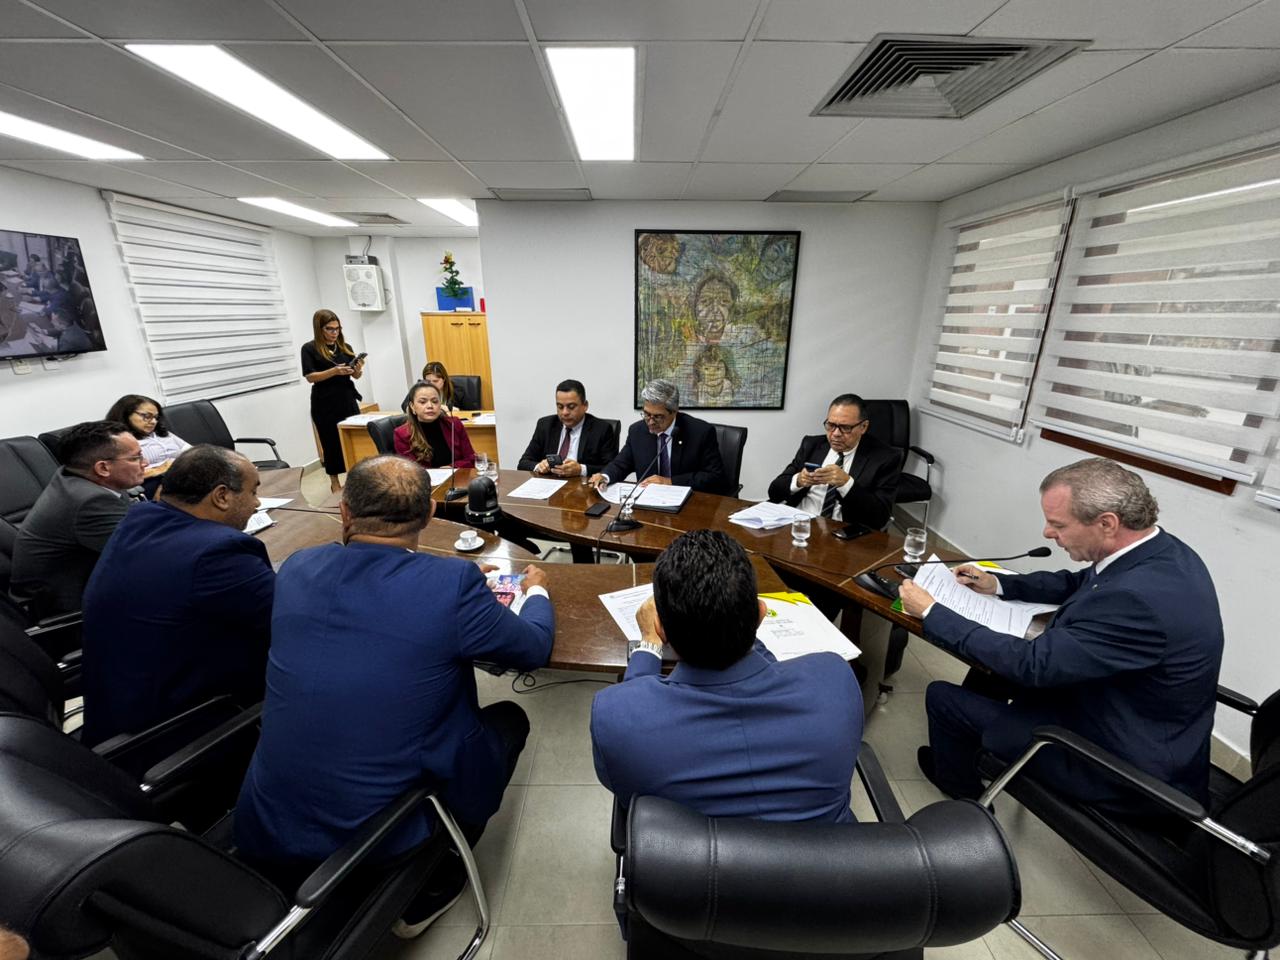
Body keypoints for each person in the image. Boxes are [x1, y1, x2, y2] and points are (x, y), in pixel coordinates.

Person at [234, 456, 553, 938]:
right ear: (429, 513)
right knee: (509, 720)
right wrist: (536, 592)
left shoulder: (298, 567)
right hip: (375, 828)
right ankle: (432, 881)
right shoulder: (452, 584)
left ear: (344, 512)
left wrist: (452, 589)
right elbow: (532, 649)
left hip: (267, 814)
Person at [899, 458, 1224, 812]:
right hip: (1129, 709)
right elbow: (1080, 582)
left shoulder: (1137, 600)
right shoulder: (1159, 551)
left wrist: (932, 612)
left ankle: (963, 795)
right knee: (988, 670)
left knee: (942, 697)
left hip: (1118, 761)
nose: (1047, 534)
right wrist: (1000, 583)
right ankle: (975, 746)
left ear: (1107, 523)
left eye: (1057, 524)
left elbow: (1032, 666)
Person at [591, 530, 862, 820]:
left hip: (694, 865)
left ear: (663, 631)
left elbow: (633, 718)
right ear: (760, 614)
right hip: (827, 862)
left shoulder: (614, 716)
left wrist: (648, 643)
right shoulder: (835, 680)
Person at [79, 446, 272, 746]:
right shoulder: (217, 553)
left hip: (117, 711)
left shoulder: (141, 518)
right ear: (221, 496)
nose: (257, 503)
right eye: (253, 492)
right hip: (180, 730)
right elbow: (290, 618)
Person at [10, 421, 144, 619]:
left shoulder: (77, 477)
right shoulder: (90, 501)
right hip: (66, 609)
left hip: (87, 580)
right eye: (136, 458)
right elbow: (146, 555)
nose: (145, 463)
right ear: (103, 468)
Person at [767, 393, 902, 530]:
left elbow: (879, 517)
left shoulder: (885, 458)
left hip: (843, 532)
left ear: (863, 427)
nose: (836, 433)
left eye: (845, 428)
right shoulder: (812, 445)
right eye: (831, 425)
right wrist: (798, 481)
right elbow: (774, 492)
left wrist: (846, 484)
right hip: (800, 523)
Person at [590, 379, 726, 493]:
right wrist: (605, 476)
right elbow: (621, 464)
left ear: (674, 412)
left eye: (658, 417)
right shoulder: (637, 431)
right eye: (647, 414)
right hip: (649, 502)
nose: (650, 422)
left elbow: (714, 476)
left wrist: (670, 482)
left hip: (688, 503)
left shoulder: (701, 432)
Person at [301, 308, 364, 493]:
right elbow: (311, 377)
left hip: (347, 398)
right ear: (320, 329)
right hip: (325, 402)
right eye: (330, 329)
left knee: (351, 439)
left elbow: (357, 376)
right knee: (331, 443)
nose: (334, 332)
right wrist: (334, 371)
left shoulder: (346, 347)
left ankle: (354, 479)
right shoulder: (309, 348)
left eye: (337, 328)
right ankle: (335, 483)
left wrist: (357, 368)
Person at [517, 379, 618, 478]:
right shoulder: (545, 425)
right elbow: (523, 463)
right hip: (550, 485)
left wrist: (581, 470)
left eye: (571, 406)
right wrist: (539, 466)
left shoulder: (602, 429)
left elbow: (612, 469)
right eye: (560, 407)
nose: (565, 412)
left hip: (582, 489)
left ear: (585, 405)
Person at [105, 393, 190, 478]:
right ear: (126, 415)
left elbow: (191, 451)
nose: (153, 422)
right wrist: (160, 469)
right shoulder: (118, 440)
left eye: (156, 417)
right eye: (147, 416)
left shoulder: (160, 432)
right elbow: (123, 476)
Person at [394, 380, 476, 469]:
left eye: (435, 401)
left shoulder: (454, 424)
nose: (430, 406)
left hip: (457, 478)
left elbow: (471, 459)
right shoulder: (402, 434)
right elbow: (410, 471)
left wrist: (451, 467)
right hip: (426, 482)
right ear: (412, 406)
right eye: (423, 402)